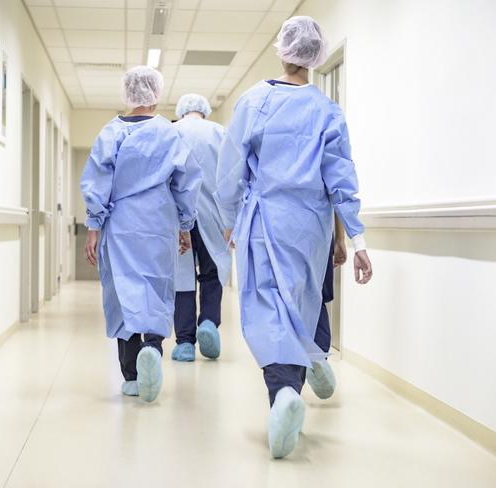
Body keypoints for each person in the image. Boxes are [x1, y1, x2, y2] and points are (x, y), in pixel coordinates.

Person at [215, 16, 373, 458]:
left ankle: (282, 394)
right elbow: (340, 180)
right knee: (302, 310)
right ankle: (299, 381)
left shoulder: (253, 103)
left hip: (264, 224)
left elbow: (229, 170)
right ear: (316, 57)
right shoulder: (327, 111)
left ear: (281, 50)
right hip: (311, 230)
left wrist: (229, 218)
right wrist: (356, 242)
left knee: (267, 310)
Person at [81, 66, 201, 403]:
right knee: (156, 286)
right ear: (157, 94)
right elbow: (186, 183)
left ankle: (132, 375)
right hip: (158, 221)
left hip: (120, 223)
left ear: (127, 94)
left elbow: (97, 184)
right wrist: (185, 226)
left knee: (123, 293)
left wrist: (93, 229)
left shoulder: (111, 133)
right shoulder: (170, 133)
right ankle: (153, 345)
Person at [171, 94, 232, 362]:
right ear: (204, 112)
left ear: (182, 111)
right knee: (212, 272)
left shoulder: (170, 132)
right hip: (213, 216)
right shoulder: (220, 133)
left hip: (176, 217)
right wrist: (232, 222)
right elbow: (232, 177)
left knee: (181, 279)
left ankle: (185, 342)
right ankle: (208, 322)